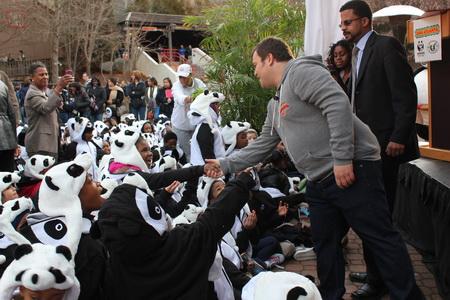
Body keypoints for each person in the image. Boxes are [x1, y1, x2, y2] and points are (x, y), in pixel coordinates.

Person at [206, 37, 423, 300]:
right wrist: (225, 164)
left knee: (379, 239)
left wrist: (342, 159)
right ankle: (330, 295)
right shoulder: (275, 103)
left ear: (270, 59)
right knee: (325, 244)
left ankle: (409, 296)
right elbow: (264, 143)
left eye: (256, 64)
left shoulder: (301, 72)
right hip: (320, 181)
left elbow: (337, 104)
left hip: (351, 168)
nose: (254, 71)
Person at [339, 1, 420, 298]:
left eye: (347, 23)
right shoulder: (355, 55)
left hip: (387, 146)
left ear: (363, 22)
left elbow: (405, 94)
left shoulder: (386, 47)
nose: (343, 28)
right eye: (341, 24)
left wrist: (399, 135)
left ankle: (379, 280)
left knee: (378, 217)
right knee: (371, 214)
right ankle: (377, 272)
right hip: (366, 148)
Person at [24, 62, 72, 160]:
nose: (45, 77)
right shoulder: (32, 94)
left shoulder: (46, 91)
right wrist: (59, 87)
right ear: (32, 78)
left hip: (51, 143)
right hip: (40, 144)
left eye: (46, 74)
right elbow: (45, 108)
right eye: (41, 75)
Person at [171, 64, 207, 160]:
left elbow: (206, 94)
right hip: (180, 125)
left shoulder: (199, 84)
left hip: (196, 124)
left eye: (185, 77)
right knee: (187, 153)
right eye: (180, 77)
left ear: (191, 75)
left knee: (199, 151)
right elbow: (179, 98)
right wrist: (190, 98)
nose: (182, 80)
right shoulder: (176, 85)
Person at [0, 80, 17, 172]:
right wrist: (14, 142)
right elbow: (12, 114)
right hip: (7, 138)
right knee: (7, 177)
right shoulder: (2, 85)